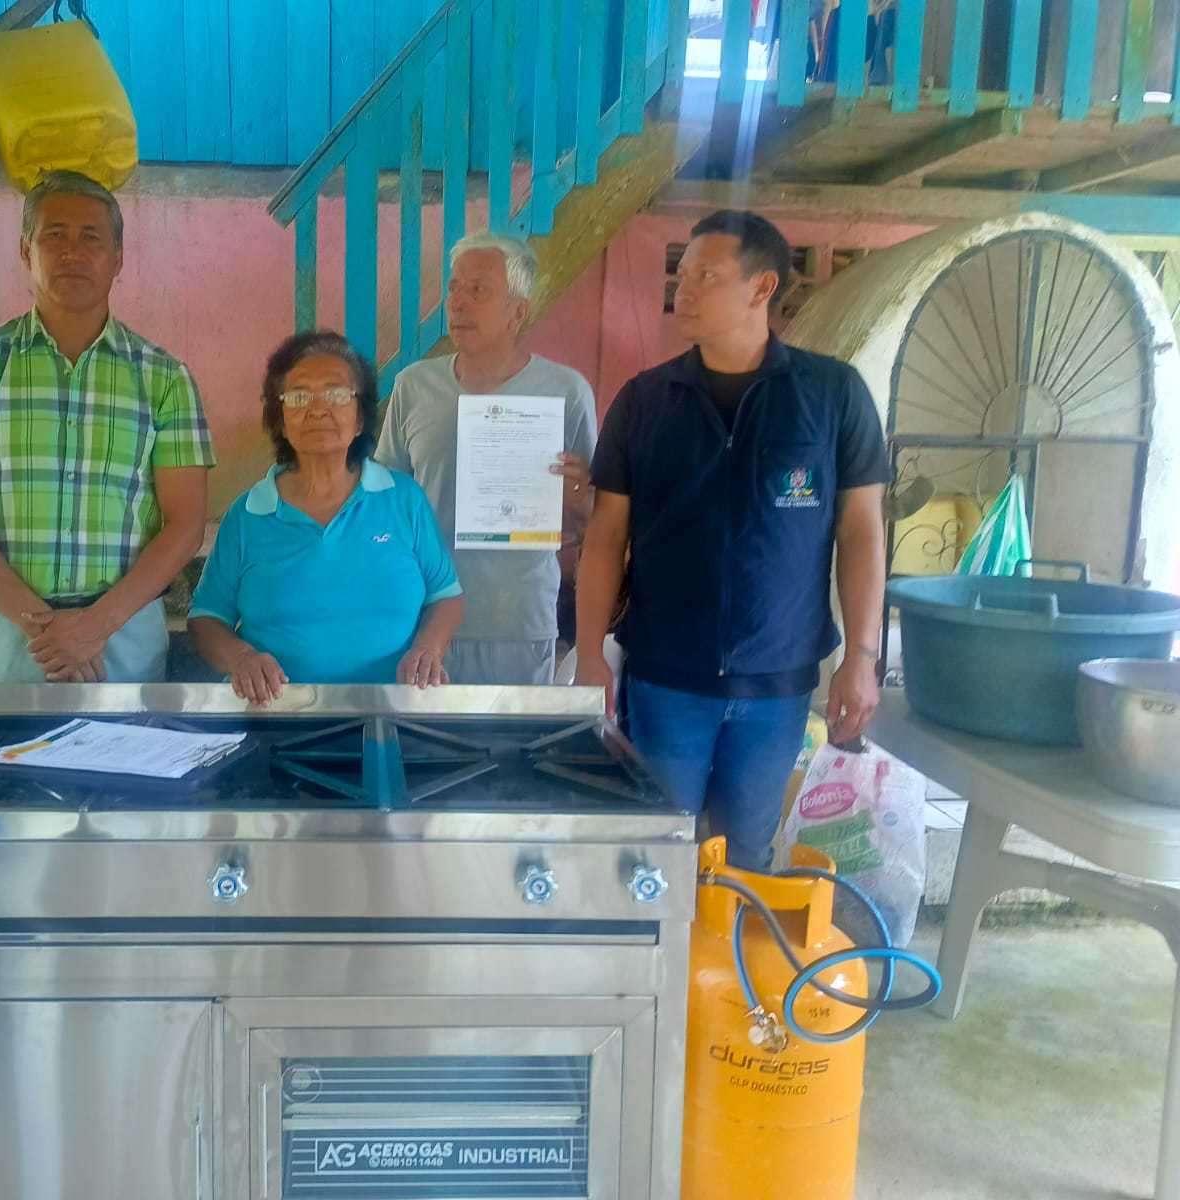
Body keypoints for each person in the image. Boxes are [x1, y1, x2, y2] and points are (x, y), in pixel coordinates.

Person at [574, 210, 888, 872]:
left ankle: (729, 943)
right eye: (681, 275)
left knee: (746, 855)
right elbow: (605, 535)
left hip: (778, 685)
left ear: (761, 286)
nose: (683, 290)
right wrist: (590, 653)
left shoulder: (831, 396)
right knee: (656, 854)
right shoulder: (645, 401)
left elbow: (861, 532)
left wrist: (862, 657)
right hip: (666, 679)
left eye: (706, 276)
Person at [0, 170, 214, 684]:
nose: (73, 251)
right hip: (11, 632)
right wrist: (46, 627)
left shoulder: (165, 379)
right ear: (25, 251)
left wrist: (96, 625)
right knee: (10, 742)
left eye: (91, 237)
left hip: (124, 631)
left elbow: (186, 523)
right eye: (55, 235)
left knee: (128, 741)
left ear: (118, 259)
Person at [188, 331, 463, 704]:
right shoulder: (248, 514)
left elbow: (445, 595)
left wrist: (428, 650)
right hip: (275, 718)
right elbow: (206, 617)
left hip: (388, 715)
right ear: (280, 420)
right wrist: (242, 658)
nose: (318, 410)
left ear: (360, 417)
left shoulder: (404, 500)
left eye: (336, 395)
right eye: (299, 397)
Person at [375, 231, 597, 686]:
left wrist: (578, 499)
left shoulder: (566, 392)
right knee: (421, 734)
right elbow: (385, 502)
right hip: (422, 621)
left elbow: (596, 521)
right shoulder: (413, 387)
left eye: (478, 290)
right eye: (454, 287)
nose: (458, 303)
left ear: (518, 311)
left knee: (510, 734)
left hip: (516, 623)